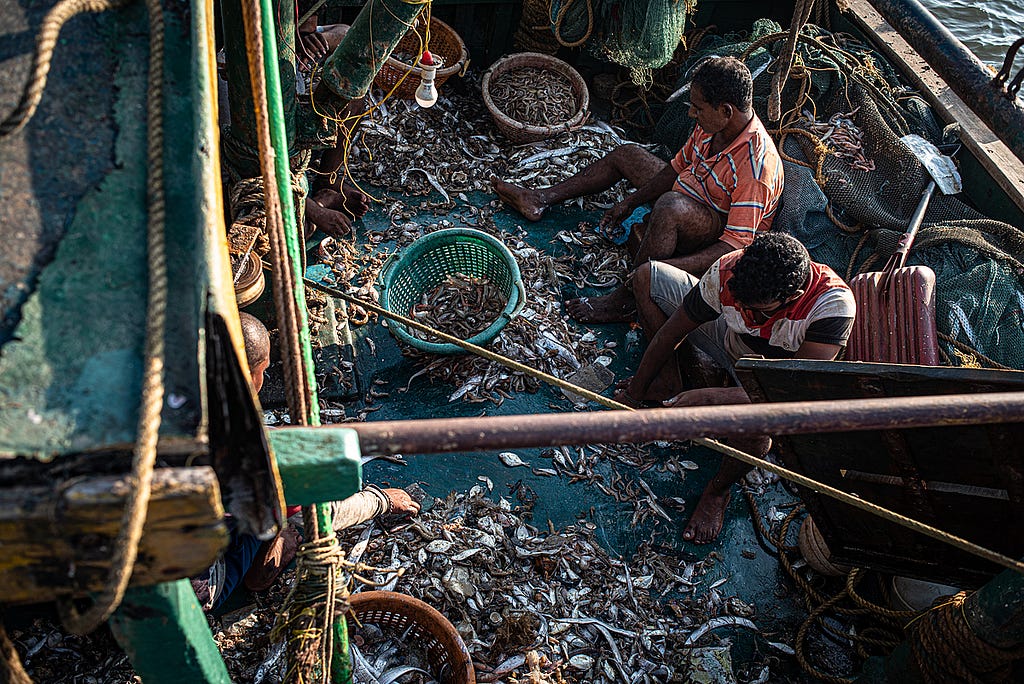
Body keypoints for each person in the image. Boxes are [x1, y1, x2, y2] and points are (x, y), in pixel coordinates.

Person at [492, 56, 784, 323]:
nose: (692, 114)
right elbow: (676, 167)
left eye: (698, 108)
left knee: (670, 206)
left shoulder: (756, 167)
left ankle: (623, 300)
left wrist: (662, 269)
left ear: (726, 111)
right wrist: (631, 202)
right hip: (693, 188)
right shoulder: (713, 126)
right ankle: (540, 198)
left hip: (714, 227)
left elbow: (735, 246)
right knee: (627, 154)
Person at [613, 233, 856, 543]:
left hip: (774, 379)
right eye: (737, 298)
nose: (740, 306)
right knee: (648, 277)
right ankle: (666, 382)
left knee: (757, 428)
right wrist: (635, 392)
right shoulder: (732, 270)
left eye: (755, 306)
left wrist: (711, 397)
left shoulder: (831, 307)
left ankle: (717, 493)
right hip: (730, 342)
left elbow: (789, 394)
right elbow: (673, 331)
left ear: (792, 295)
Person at [192, 313, 421, 610]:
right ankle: (260, 572)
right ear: (251, 377)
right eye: (264, 369)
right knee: (280, 515)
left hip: (135, 545)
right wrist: (381, 501)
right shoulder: (252, 458)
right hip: (193, 588)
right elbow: (320, 512)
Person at [294, 2, 372, 239]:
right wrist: (316, 212)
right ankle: (317, 200)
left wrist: (323, 40)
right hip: (269, 165)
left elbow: (346, 32)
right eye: (301, 33)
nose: (309, 37)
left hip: (299, 138)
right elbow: (256, 171)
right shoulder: (248, 61)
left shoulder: (305, 36)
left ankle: (328, 182)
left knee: (354, 97)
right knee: (293, 235)